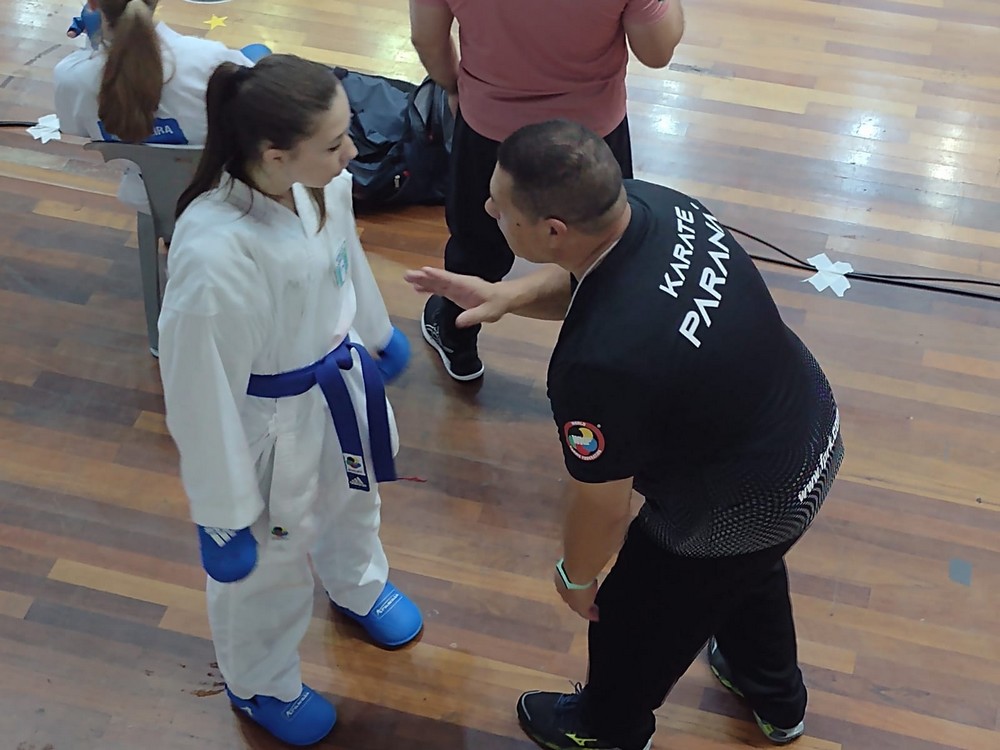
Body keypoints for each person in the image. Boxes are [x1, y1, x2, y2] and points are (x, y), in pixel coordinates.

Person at [406, 120, 844, 750]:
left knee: (632, 617)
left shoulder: (598, 366)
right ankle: (777, 698)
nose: (488, 210)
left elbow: (603, 505)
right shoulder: (655, 204)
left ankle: (608, 730)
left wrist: (577, 575)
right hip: (806, 426)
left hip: (744, 499)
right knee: (744, 569)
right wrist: (508, 296)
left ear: (553, 230)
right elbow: (595, 278)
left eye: (501, 206)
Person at [158, 54, 423, 747]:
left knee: (355, 499)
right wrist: (220, 512)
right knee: (270, 565)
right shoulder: (214, 254)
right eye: (334, 144)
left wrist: (375, 330)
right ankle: (260, 682)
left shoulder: (321, 186)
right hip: (268, 423)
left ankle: (357, 582)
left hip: (337, 385)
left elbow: (345, 261)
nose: (352, 152)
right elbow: (196, 390)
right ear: (275, 155)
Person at [409, 0, 686, 381]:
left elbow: (426, 38)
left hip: (489, 128)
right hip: (591, 136)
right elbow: (656, 52)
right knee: (605, 252)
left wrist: (454, 87)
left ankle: (457, 336)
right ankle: (608, 359)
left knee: (476, 245)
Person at [54, 0, 269, 212]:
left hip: (146, 195)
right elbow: (259, 112)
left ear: (93, 4)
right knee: (258, 52)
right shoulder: (210, 59)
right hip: (219, 188)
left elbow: (74, 129)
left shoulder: (70, 77)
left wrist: (93, 44)